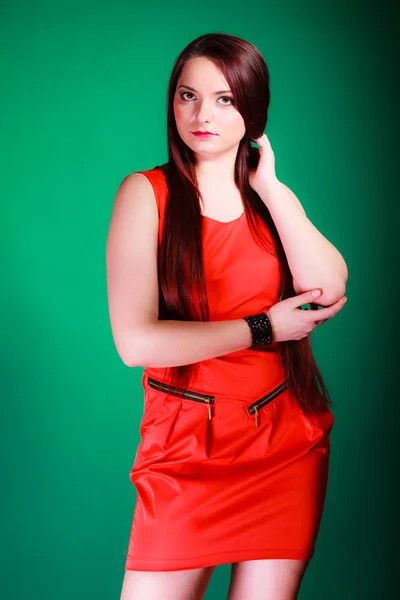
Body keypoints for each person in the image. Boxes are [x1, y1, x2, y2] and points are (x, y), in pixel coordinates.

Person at [106, 33, 348, 600]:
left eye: (224, 99)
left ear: (252, 111)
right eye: (188, 95)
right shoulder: (147, 193)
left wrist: (271, 185)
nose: (201, 114)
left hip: (283, 445)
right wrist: (264, 327)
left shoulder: (270, 201)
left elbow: (330, 285)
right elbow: (135, 343)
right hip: (186, 449)